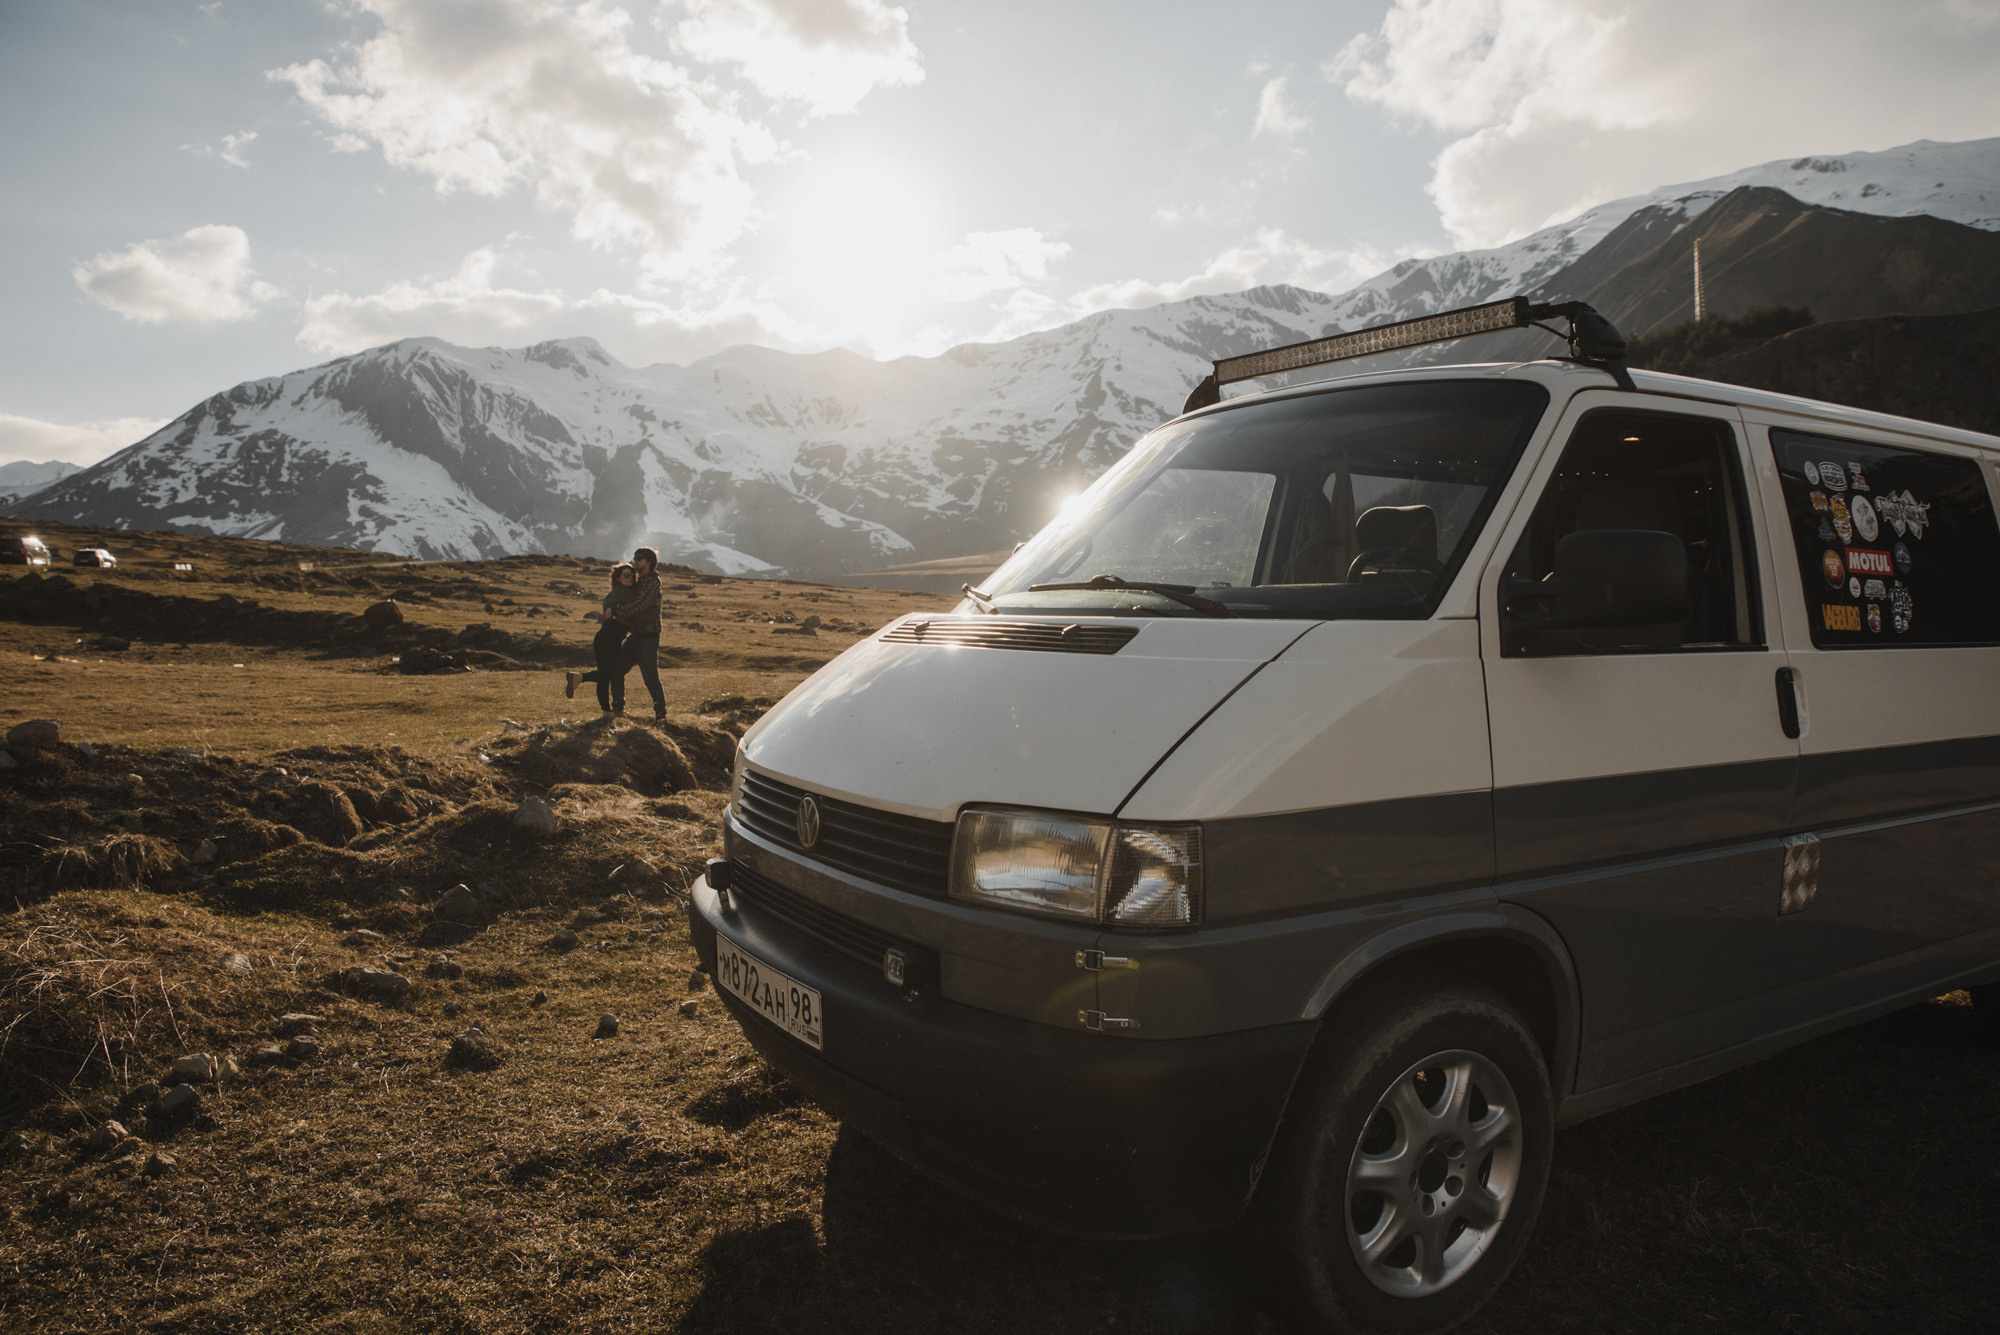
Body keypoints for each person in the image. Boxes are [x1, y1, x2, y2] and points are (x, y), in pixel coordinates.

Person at [566, 562, 639, 714]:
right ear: (618, 578)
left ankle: (606, 712)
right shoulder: (624, 593)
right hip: (610, 638)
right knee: (609, 674)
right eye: (626, 575)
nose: (630, 578)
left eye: (632, 575)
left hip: (604, 637)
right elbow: (634, 605)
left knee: (605, 675)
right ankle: (580, 677)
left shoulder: (614, 593)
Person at [615, 546, 668, 720]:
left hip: (648, 636)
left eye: (640, 558)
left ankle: (661, 713)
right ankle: (618, 709)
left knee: (650, 676)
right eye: (635, 557)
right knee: (617, 670)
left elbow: (640, 606)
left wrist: (618, 611)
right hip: (637, 635)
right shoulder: (640, 582)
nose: (635, 560)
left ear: (649, 562)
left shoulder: (652, 582)